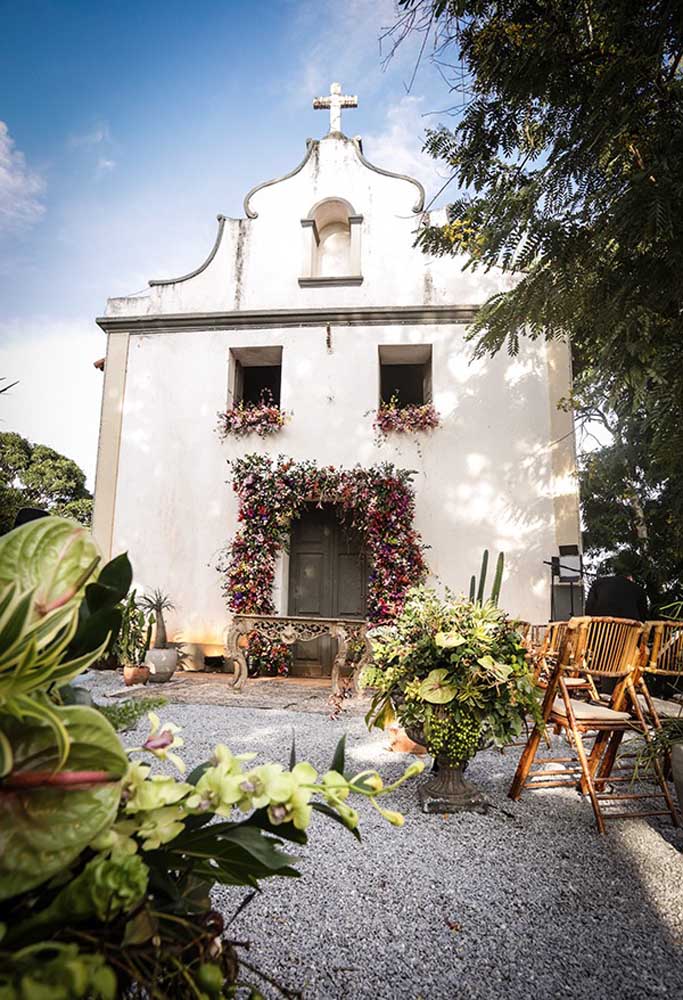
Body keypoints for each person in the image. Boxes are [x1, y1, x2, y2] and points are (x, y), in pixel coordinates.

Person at [585, 550, 648, 621]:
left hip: (600, 630)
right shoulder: (638, 589)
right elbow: (643, 618)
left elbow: (588, 612)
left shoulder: (597, 584)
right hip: (629, 631)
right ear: (630, 577)